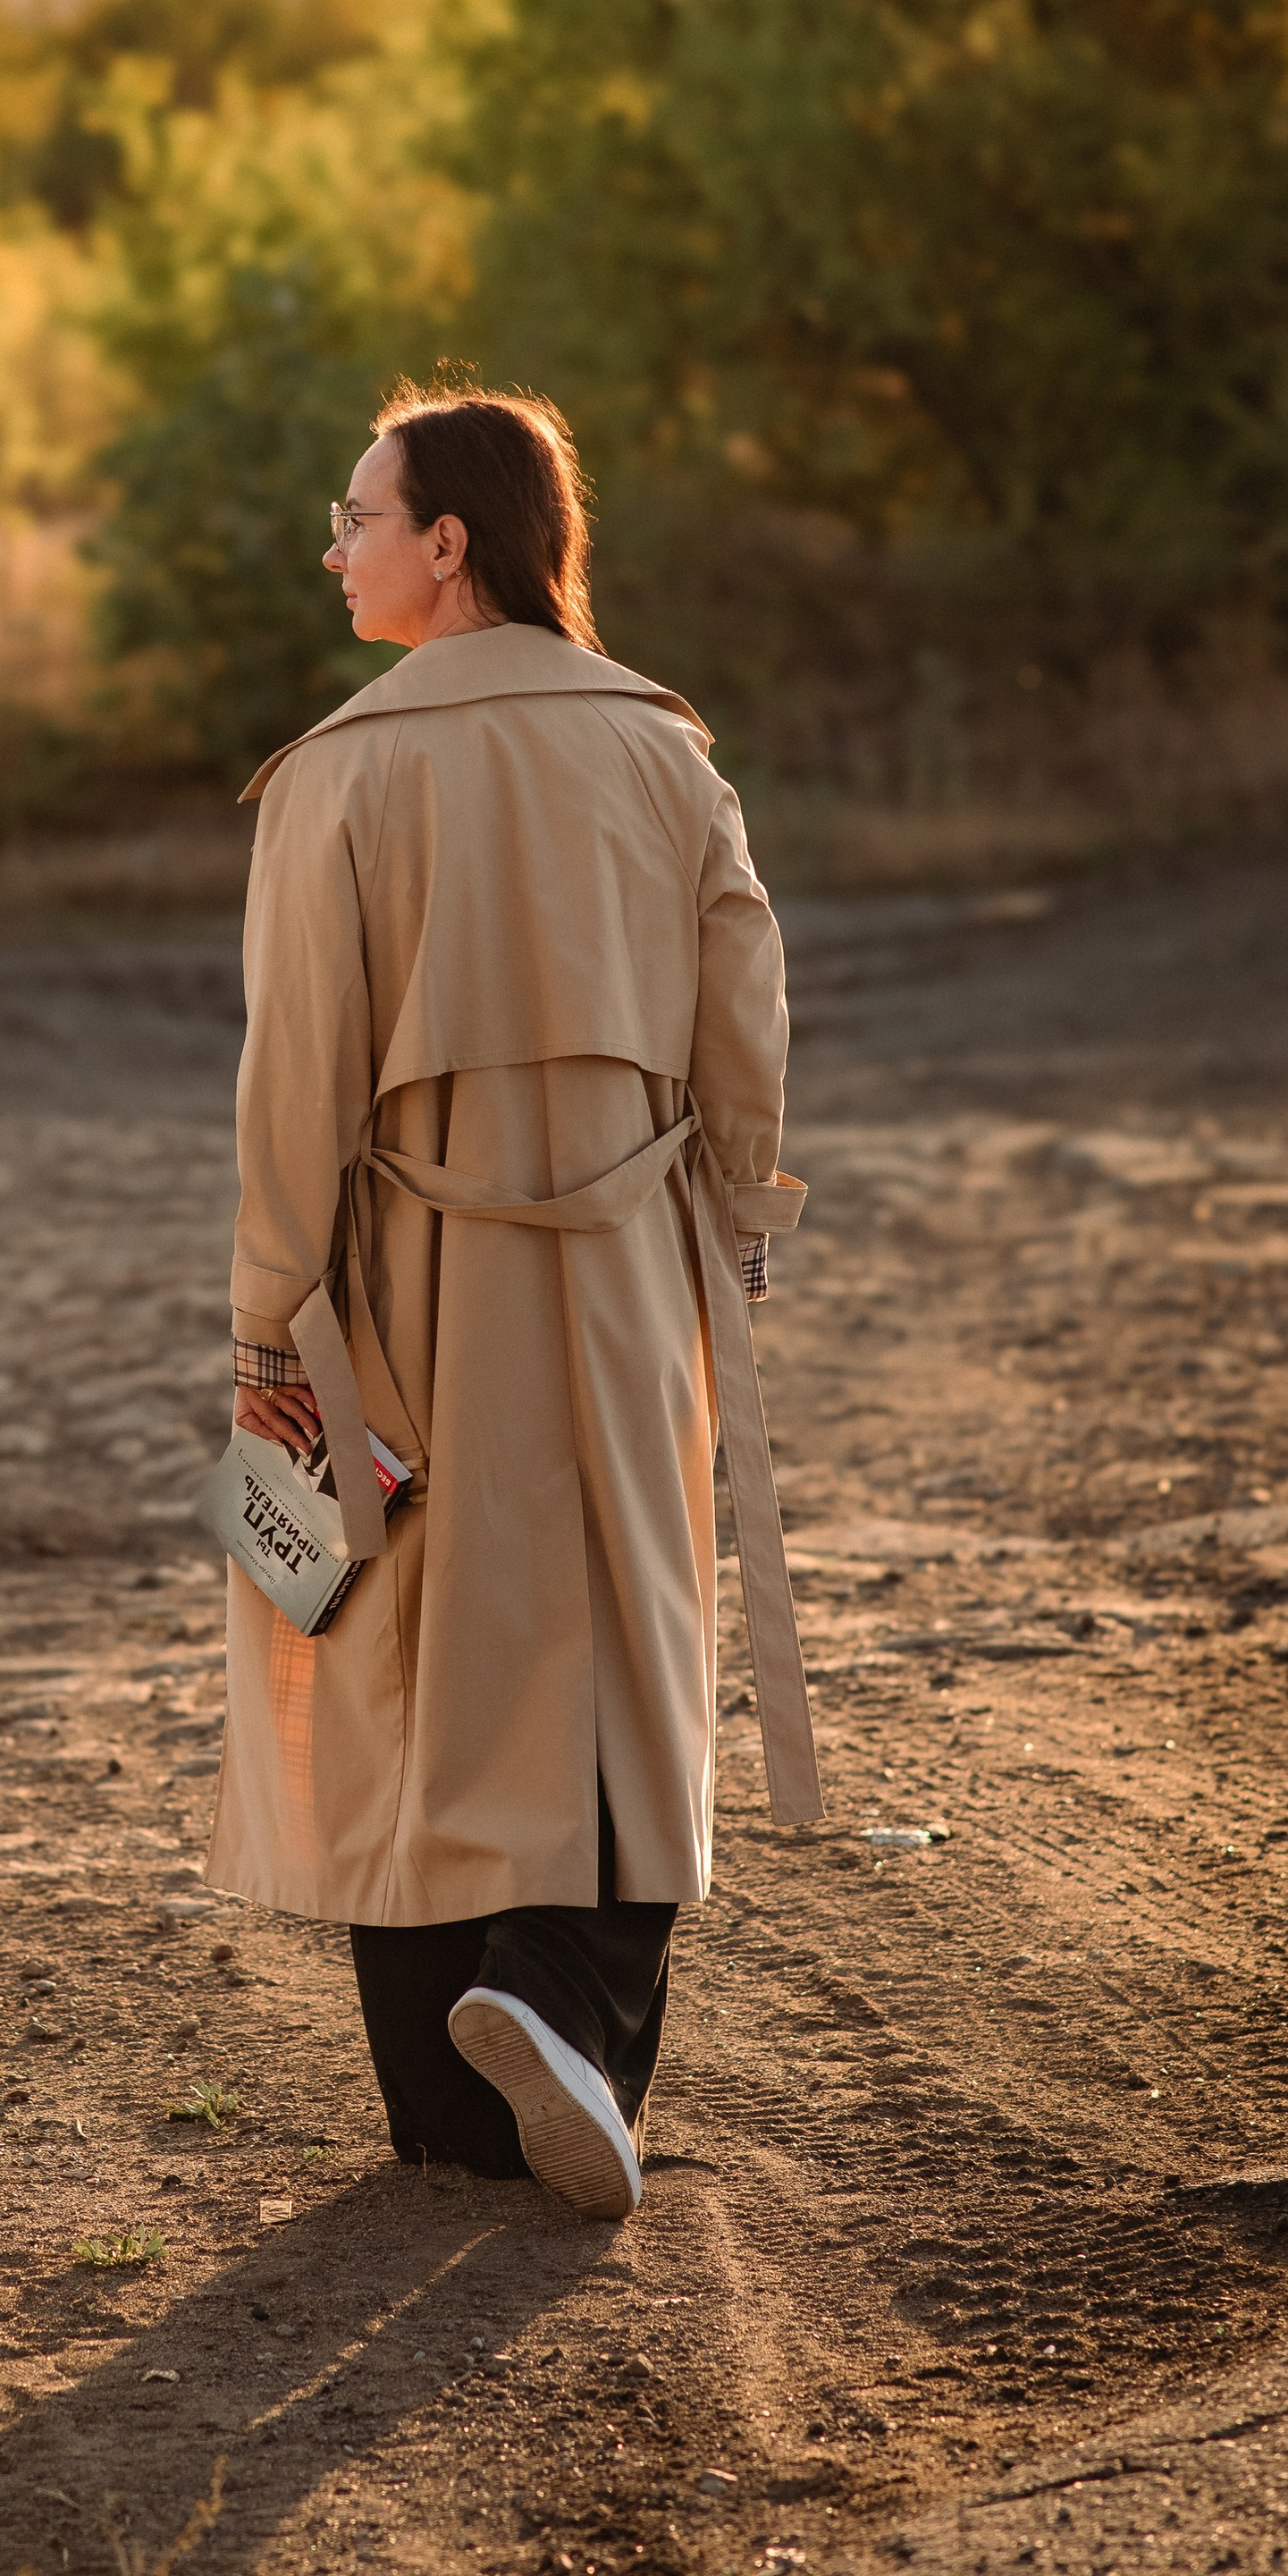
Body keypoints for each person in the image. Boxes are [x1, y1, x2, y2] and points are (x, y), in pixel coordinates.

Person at [206, 383, 820, 2217]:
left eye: (356, 516)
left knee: (406, 1655)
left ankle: (452, 2115)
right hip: (628, 1263)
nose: (335, 548)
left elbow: (292, 1073)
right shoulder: (660, 751)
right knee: (622, 1649)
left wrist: (266, 1314)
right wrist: (736, 1219)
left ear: (447, 542)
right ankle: (558, 2005)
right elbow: (743, 1008)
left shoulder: (333, 771)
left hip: (402, 1276)